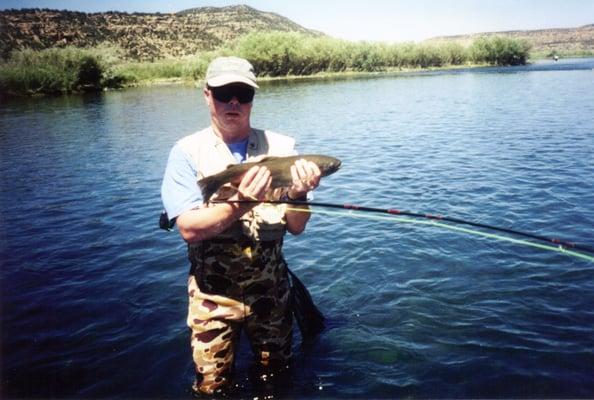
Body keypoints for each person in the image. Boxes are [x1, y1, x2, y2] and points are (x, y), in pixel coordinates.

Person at [160, 56, 322, 396]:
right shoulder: (187, 153)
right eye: (224, 93)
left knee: (277, 381)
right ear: (207, 95)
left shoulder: (282, 149)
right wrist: (241, 204)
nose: (233, 102)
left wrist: (299, 192)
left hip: (273, 295)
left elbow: (296, 227)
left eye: (242, 94)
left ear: (252, 98)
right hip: (212, 299)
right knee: (211, 388)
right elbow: (188, 228)